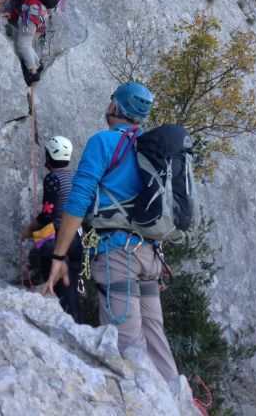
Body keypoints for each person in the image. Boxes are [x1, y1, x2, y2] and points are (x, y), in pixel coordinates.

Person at [42, 82, 178, 383]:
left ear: (116, 107)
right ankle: (175, 401)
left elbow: (77, 202)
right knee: (155, 339)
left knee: (127, 348)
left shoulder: (104, 142)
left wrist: (59, 255)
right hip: (150, 256)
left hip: (119, 257)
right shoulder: (151, 149)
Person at [22, 135, 83, 323]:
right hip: (76, 238)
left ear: (49, 156)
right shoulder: (75, 178)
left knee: (59, 290)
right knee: (71, 288)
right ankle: (79, 324)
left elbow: (47, 215)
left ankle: (66, 327)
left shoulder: (52, 179)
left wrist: (27, 231)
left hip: (57, 240)